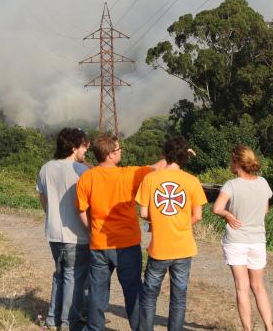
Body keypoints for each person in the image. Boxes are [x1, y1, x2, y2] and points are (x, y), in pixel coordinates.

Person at [76, 134, 166, 331]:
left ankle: (94, 328)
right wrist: (176, 155)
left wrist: (91, 230)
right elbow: (157, 167)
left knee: (97, 293)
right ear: (109, 155)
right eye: (118, 150)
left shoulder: (87, 177)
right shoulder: (129, 174)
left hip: (99, 244)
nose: (121, 152)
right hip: (127, 244)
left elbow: (82, 210)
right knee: (133, 291)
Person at [135, 136, 207, 331]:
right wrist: (182, 223)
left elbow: (143, 212)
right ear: (184, 157)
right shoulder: (192, 181)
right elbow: (198, 216)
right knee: (179, 297)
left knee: (149, 295)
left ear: (164, 154)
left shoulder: (150, 179)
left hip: (159, 248)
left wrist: (158, 221)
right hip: (184, 248)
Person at [212, 144, 273, 331]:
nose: (230, 163)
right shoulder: (263, 182)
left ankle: (248, 329)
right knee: (259, 287)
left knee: (242, 288)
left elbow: (216, 209)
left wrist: (228, 215)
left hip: (236, 241)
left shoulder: (231, 185)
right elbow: (265, 209)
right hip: (257, 241)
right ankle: (269, 328)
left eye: (232, 160)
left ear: (237, 162)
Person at [37, 128, 92, 330]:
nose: (85, 149)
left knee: (59, 275)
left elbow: (43, 198)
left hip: (53, 232)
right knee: (73, 279)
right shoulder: (81, 171)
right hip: (76, 234)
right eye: (82, 146)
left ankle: (52, 319)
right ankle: (70, 322)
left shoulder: (46, 168)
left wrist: (52, 216)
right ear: (73, 147)